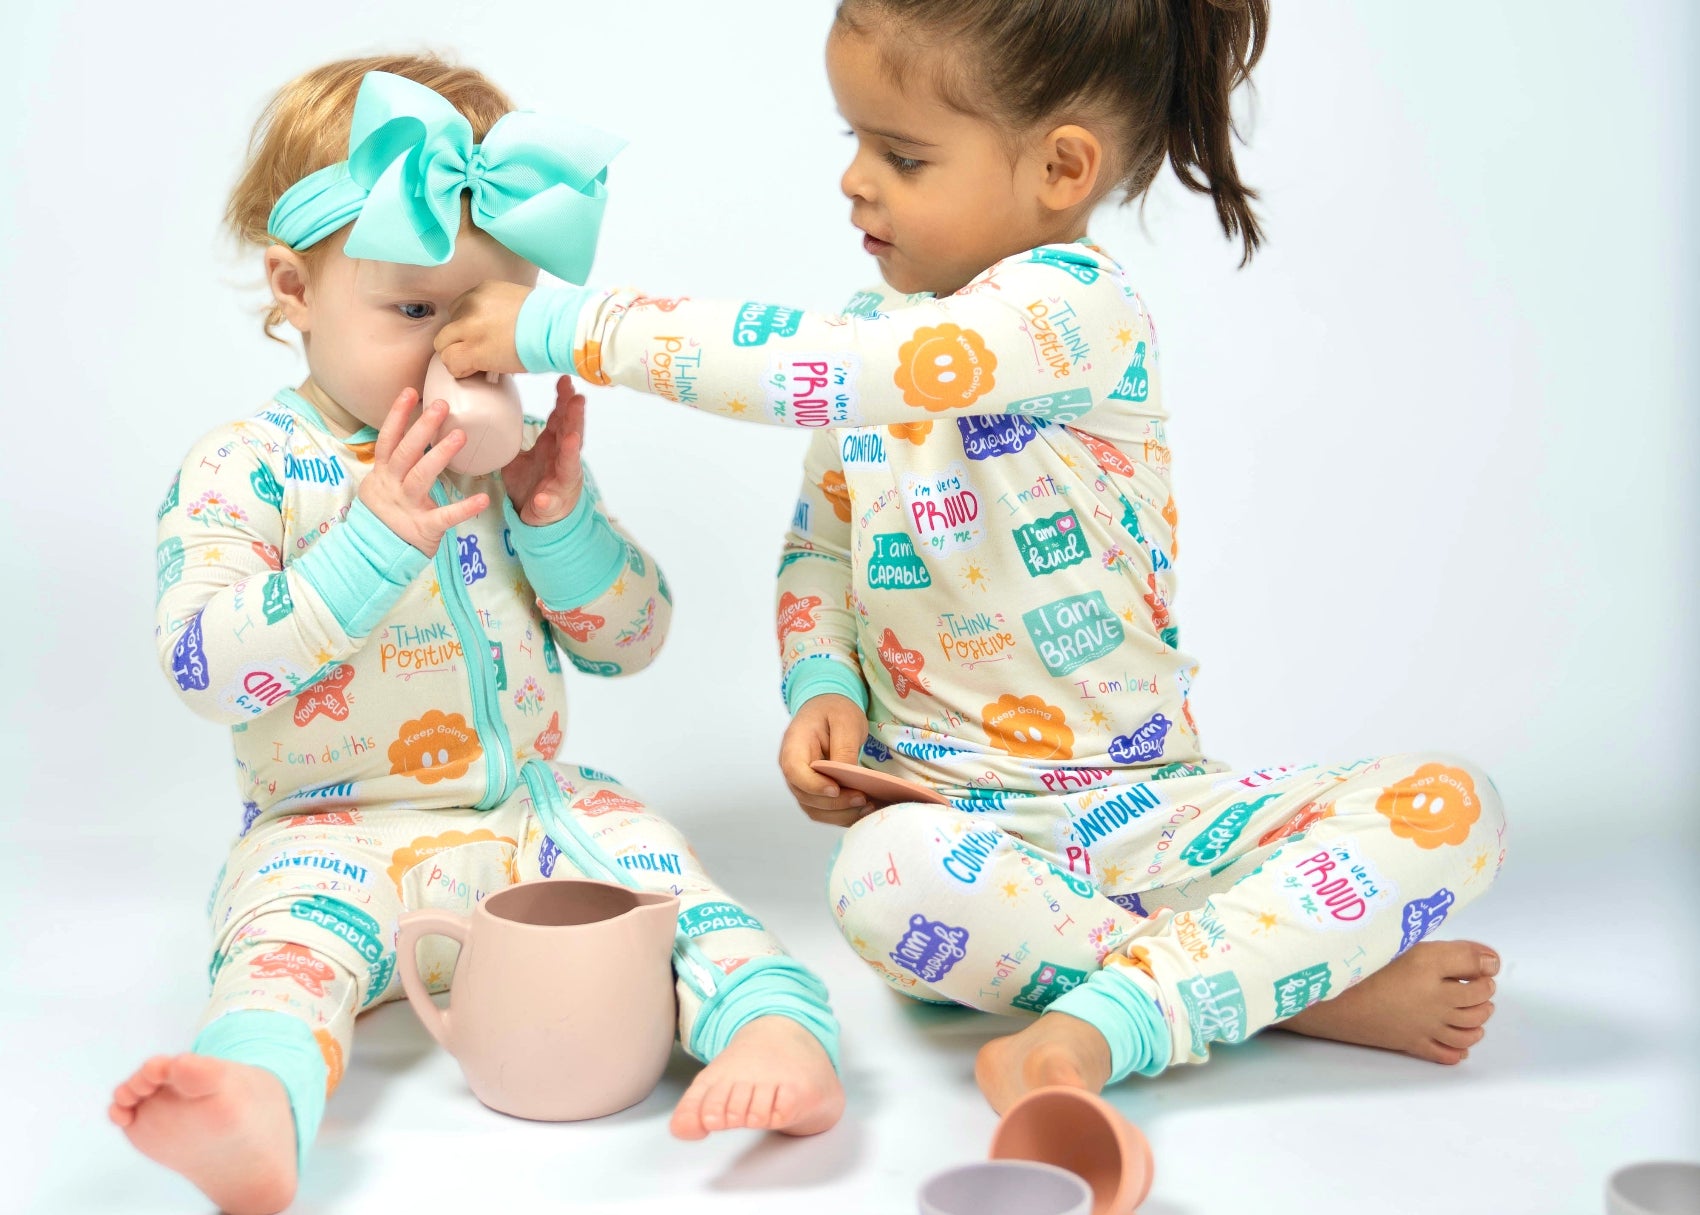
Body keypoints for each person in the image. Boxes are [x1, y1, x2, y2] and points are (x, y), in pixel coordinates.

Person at [434, 0, 1504, 1118]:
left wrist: (567, 326)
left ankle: (1106, 1019)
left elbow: (839, 368)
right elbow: (821, 545)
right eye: (849, 140)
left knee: (1451, 804)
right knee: (879, 887)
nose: (854, 179)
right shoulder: (873, 333)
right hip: (943, 829)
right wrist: (824, 685)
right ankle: (1283, 989)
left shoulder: (1070, 312)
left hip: (1147, 810)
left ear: (1059, 167)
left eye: (900, 153)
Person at [110, 55, 843, 1215]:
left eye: (489, 320)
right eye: (412, 310)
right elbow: (208, 666)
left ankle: (775, 1037)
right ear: (294, 289)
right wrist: (372, 543)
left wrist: (560, 527)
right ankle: (256, 1099)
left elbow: (631, 641)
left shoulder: (510, 468)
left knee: (670, 879)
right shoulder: (242, 468)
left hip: (537, 814)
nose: (457, 354)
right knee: (279, 947)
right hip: (334, 827)